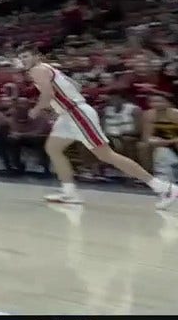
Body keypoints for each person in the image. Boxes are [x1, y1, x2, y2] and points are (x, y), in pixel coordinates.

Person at [19, 48, 176, 208]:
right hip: (68, 115)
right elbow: (76, 86)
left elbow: (48, 94)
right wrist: (59, 106)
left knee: (107, 155)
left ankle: (164, 188)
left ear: (36, 56)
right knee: (53, 148)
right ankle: (70, 192)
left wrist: (36, 110)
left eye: (26, 55)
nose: (23, 59)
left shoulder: (38, 70)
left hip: (77, 114)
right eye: (20, 57)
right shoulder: (49, 68)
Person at [142, 93, 178, 183]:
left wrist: (169, 141)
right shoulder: (149, 115)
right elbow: (146, 137)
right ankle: (149, 176)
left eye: (160, 101)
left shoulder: (176, 114)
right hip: (161, 143)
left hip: (174, 141)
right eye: (153, 101)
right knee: (143, 146)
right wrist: (154, 141)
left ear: (168, 103)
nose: (156, 104)